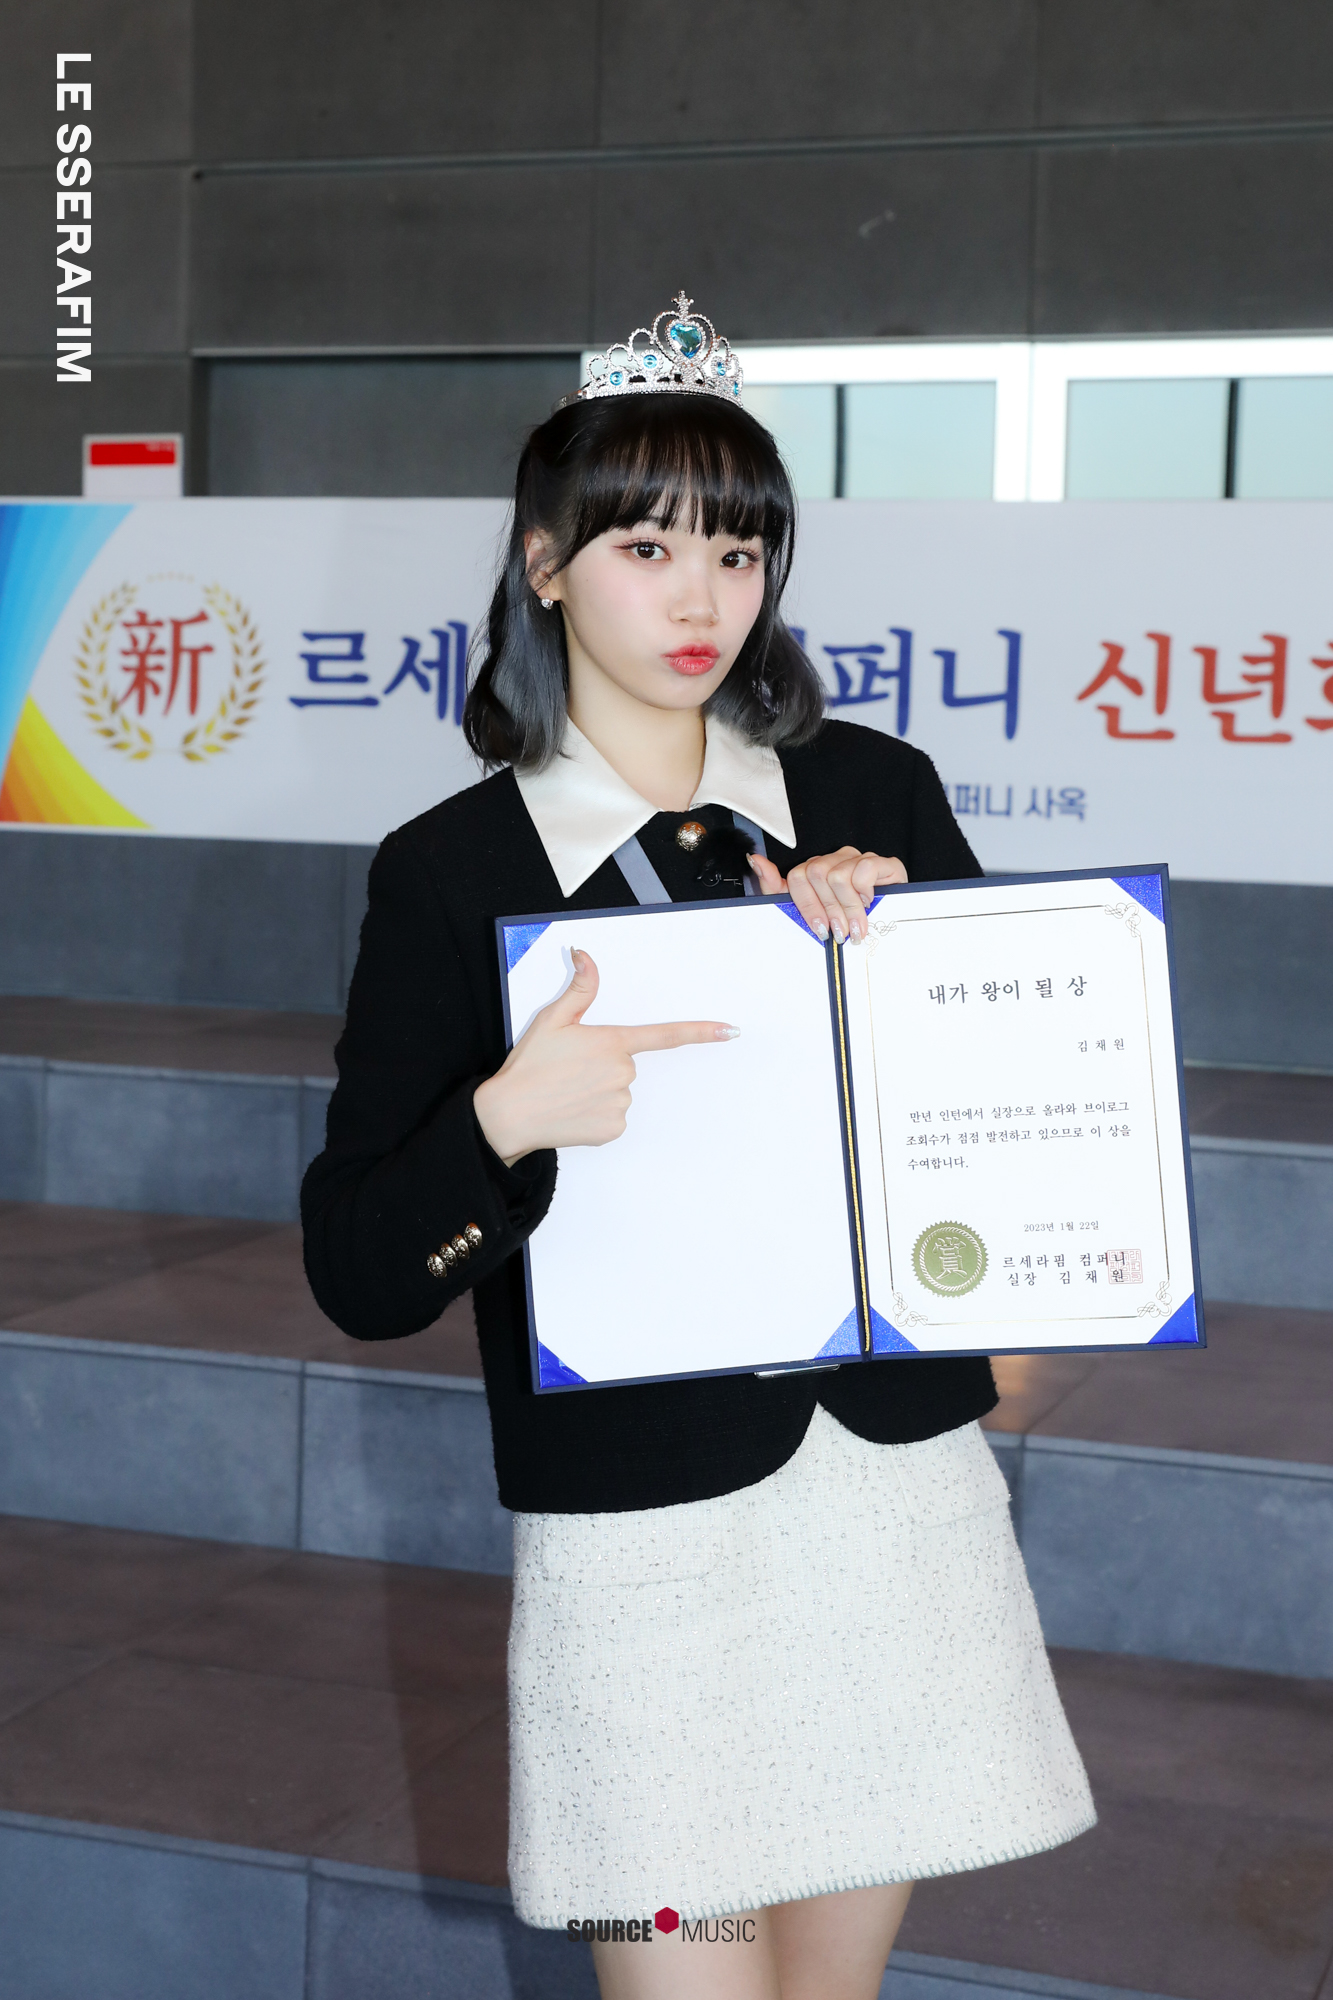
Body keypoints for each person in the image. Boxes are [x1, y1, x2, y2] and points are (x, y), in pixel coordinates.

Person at [301, 293, 1095, 2000]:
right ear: (543, 565)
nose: (698, 599)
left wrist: (900, 970)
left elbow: (1002, 1120)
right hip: (641, 1535)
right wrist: (503, 1120)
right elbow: (358, 1266)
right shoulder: (449, 870)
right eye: (646, 545)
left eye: (737, 553)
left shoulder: (873, 793)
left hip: (884, 1494)